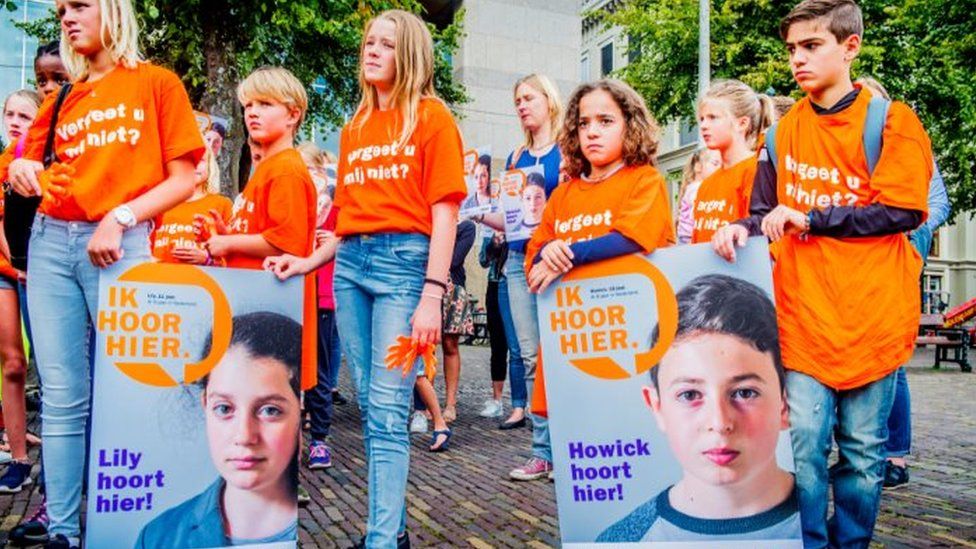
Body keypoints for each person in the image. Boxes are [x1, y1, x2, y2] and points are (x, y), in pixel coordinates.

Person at [711, 1, 933, 545]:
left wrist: (813, 218)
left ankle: (849, 542)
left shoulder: (892, 121)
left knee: (862, 454)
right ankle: (809, 541)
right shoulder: (779, 135)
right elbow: (765, 214)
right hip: (803, 320)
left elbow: (904, 210)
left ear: (850, 47)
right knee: (804, 445)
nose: (798, 59)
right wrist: (739, 228)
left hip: (874, 318)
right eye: (792, 49)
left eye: (811, 46)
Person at [5, 0, 205, 546]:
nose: (68, 18)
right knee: (64, 398)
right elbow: (33, 163)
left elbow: (184, 178)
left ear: (113, 10)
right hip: (51, 241)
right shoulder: (63, 95)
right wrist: (23, 167)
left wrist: (122, 217)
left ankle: (132, 523)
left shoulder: (156, 84)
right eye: (62, 11)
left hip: (122, 244)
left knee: (136, 392)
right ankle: (63, 530)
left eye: (80, 6)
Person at [331, 10, 467, 547]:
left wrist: (433, 293)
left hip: (404, 266)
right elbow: (346, 216)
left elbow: (445, 213)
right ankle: (394, 531)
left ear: (409, 54)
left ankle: (381, 540)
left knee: (388, 409)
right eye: (369, 41)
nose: (372, 50)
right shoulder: (354, 126)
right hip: (350, 265)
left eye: (386, 44)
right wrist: (307, 260)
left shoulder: (432, 118)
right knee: (372, 405)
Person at [597, 275, 800, 542]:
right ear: (657, 407)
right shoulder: (619, 541)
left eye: (744, 392)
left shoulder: (835, 528)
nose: (719, 422)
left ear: (786, 404)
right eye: (690, 394)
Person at [524, 78, 674, 424]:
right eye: (583, 123)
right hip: (570, 349)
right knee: (564, 444)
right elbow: (535, 259)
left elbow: (631, 238)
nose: (592, 132)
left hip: (630, 346)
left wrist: (566, 255)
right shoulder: (562, 195)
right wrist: (548, 250)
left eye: (605, 121)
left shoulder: (644, 180)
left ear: (629, 125)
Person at [855, 75, 952, 490]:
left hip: (897, 256)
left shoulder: (907, 144)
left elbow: (938, 201)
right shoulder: (850, 149)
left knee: (891, 357)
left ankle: (894, 455)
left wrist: (911, 229)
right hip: (857, 263)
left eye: (870, 104)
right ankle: (862, 451)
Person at [198, 66, 318, 397]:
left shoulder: (286, 169)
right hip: (257, 305)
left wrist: (227, 243)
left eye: (265, 104)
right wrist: (227, 233)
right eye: (248, 105)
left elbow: (286, 242)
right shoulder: (268, 168)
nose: (252, 112)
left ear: (293, 114)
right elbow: (263, 231)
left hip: (272, 308)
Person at [135, 312, 300, 548]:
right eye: (224, 408)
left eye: (270, 410)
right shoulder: (158, 537)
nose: (244, 436)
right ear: (205, 405)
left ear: (301, 411)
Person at [476, 74, 563, 479]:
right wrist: (476, 211)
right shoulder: (515, 158)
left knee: (562, 356)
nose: (522, 106)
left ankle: (570, 447)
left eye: (529, 98)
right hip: (518, 261)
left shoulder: (567, 151)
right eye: (517, 101)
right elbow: (510, 220)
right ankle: (543, 452)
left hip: (559, 260)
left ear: (549, 99)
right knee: (531, 357)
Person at [5, 39, 72, 548]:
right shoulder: (20, 152)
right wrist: (22, 264)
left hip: (65, 268)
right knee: (45, 379)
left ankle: (70, 494)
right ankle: (50, 496)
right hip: (27, 271)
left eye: (58, 79)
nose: (50, 88)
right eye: (42, 80)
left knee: (66, 383)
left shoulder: (79, 132)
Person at [0, 89, 41, 494]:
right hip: (7, 271)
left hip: (38, 272)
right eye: (10, 114)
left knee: (47, 365)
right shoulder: (2, 165)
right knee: (13, 363)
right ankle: (18, 459)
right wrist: (15, 262)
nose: (15, 122)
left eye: (25, 117)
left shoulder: (47, 162)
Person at [691, 80, 774, 244]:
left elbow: (761, 232)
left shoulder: (757, 170)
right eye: (702, 119)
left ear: (742, 123)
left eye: (713, 117)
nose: (703, 126)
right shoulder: (706, 185)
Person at [151, 149, 232, 264]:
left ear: (210, 165)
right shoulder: (157, 204)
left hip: (202, 274)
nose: (195, 166)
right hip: (158, 274)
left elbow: (232, 257)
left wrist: (207, 259)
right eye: (188, 161)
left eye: (201, 160)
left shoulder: (222, 204)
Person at [440, 219, 475, 422]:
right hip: (427, 286)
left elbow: (454, 261)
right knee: (425, 346)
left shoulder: (466, 227)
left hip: (453, 289)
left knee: (450, 345)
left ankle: (450, 404)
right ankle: (424, 406)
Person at [477, 229, 510, 418]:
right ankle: (497, 400)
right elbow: (483, 260)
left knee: (523, 347)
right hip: (496, 284)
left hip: (522, 281)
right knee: (498, 344)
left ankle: (526, 403)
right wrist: (495, 243)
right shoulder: (491, 225)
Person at [675, 149, 719, 245]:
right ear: (698, 167)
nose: (719, 168)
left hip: (687, 237)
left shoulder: (693, 187)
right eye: (715, 164)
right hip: (689, 239)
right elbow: (700, 212)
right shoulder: (696, 188)